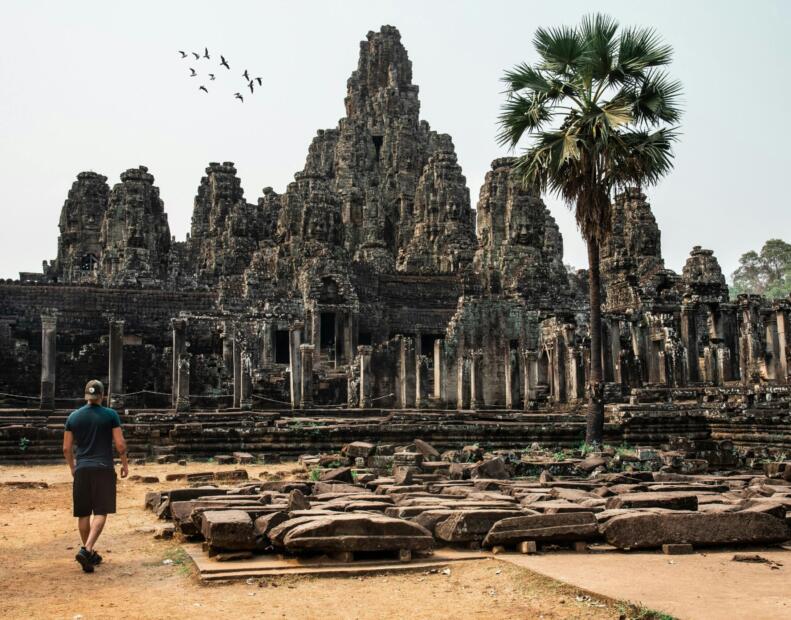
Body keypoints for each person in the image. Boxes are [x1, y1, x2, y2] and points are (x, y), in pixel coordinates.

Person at [62, 379, 128, 573]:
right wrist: (124, 464)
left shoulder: (73, 417)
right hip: (103, 468)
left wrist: (73, 467)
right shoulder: (110, 415)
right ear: (102, 395)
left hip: (82, 468)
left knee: (83, 513)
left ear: (86, 396)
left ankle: (88, 554)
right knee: (100, 511)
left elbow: (66, 448)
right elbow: (121, 444)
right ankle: (88, 549)